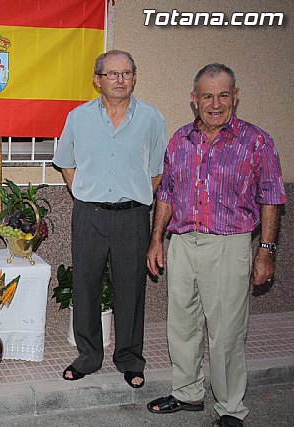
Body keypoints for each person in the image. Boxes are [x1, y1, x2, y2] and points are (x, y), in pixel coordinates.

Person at [146, 64, 286, 427]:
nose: (215, 103)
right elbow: (167, 193)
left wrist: (266, 252)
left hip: (229, 246)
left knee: (226, 332)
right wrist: (156, 240)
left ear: (235, 96)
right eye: (207, 95)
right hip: (182, 243)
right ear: (194, 100)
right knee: (182, 326)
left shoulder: (257, 141)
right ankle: (187, 393)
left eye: (223, 94)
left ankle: (230, 408)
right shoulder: (179, 140)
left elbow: (272, 198)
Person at [52, 50, 168, 388]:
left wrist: (133, 197)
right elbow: (67, 164)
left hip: (132, 217)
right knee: (85, 284)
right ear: (97, 79)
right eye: (112, 74)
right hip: (89, 214)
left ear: (134, 77)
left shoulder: (151, 119)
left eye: (127, 73)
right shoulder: (78, 118)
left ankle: (130, 358)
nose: (120, 79)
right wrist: (86, 193)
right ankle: (88, 356)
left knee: (130, 289)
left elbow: (157, 172)